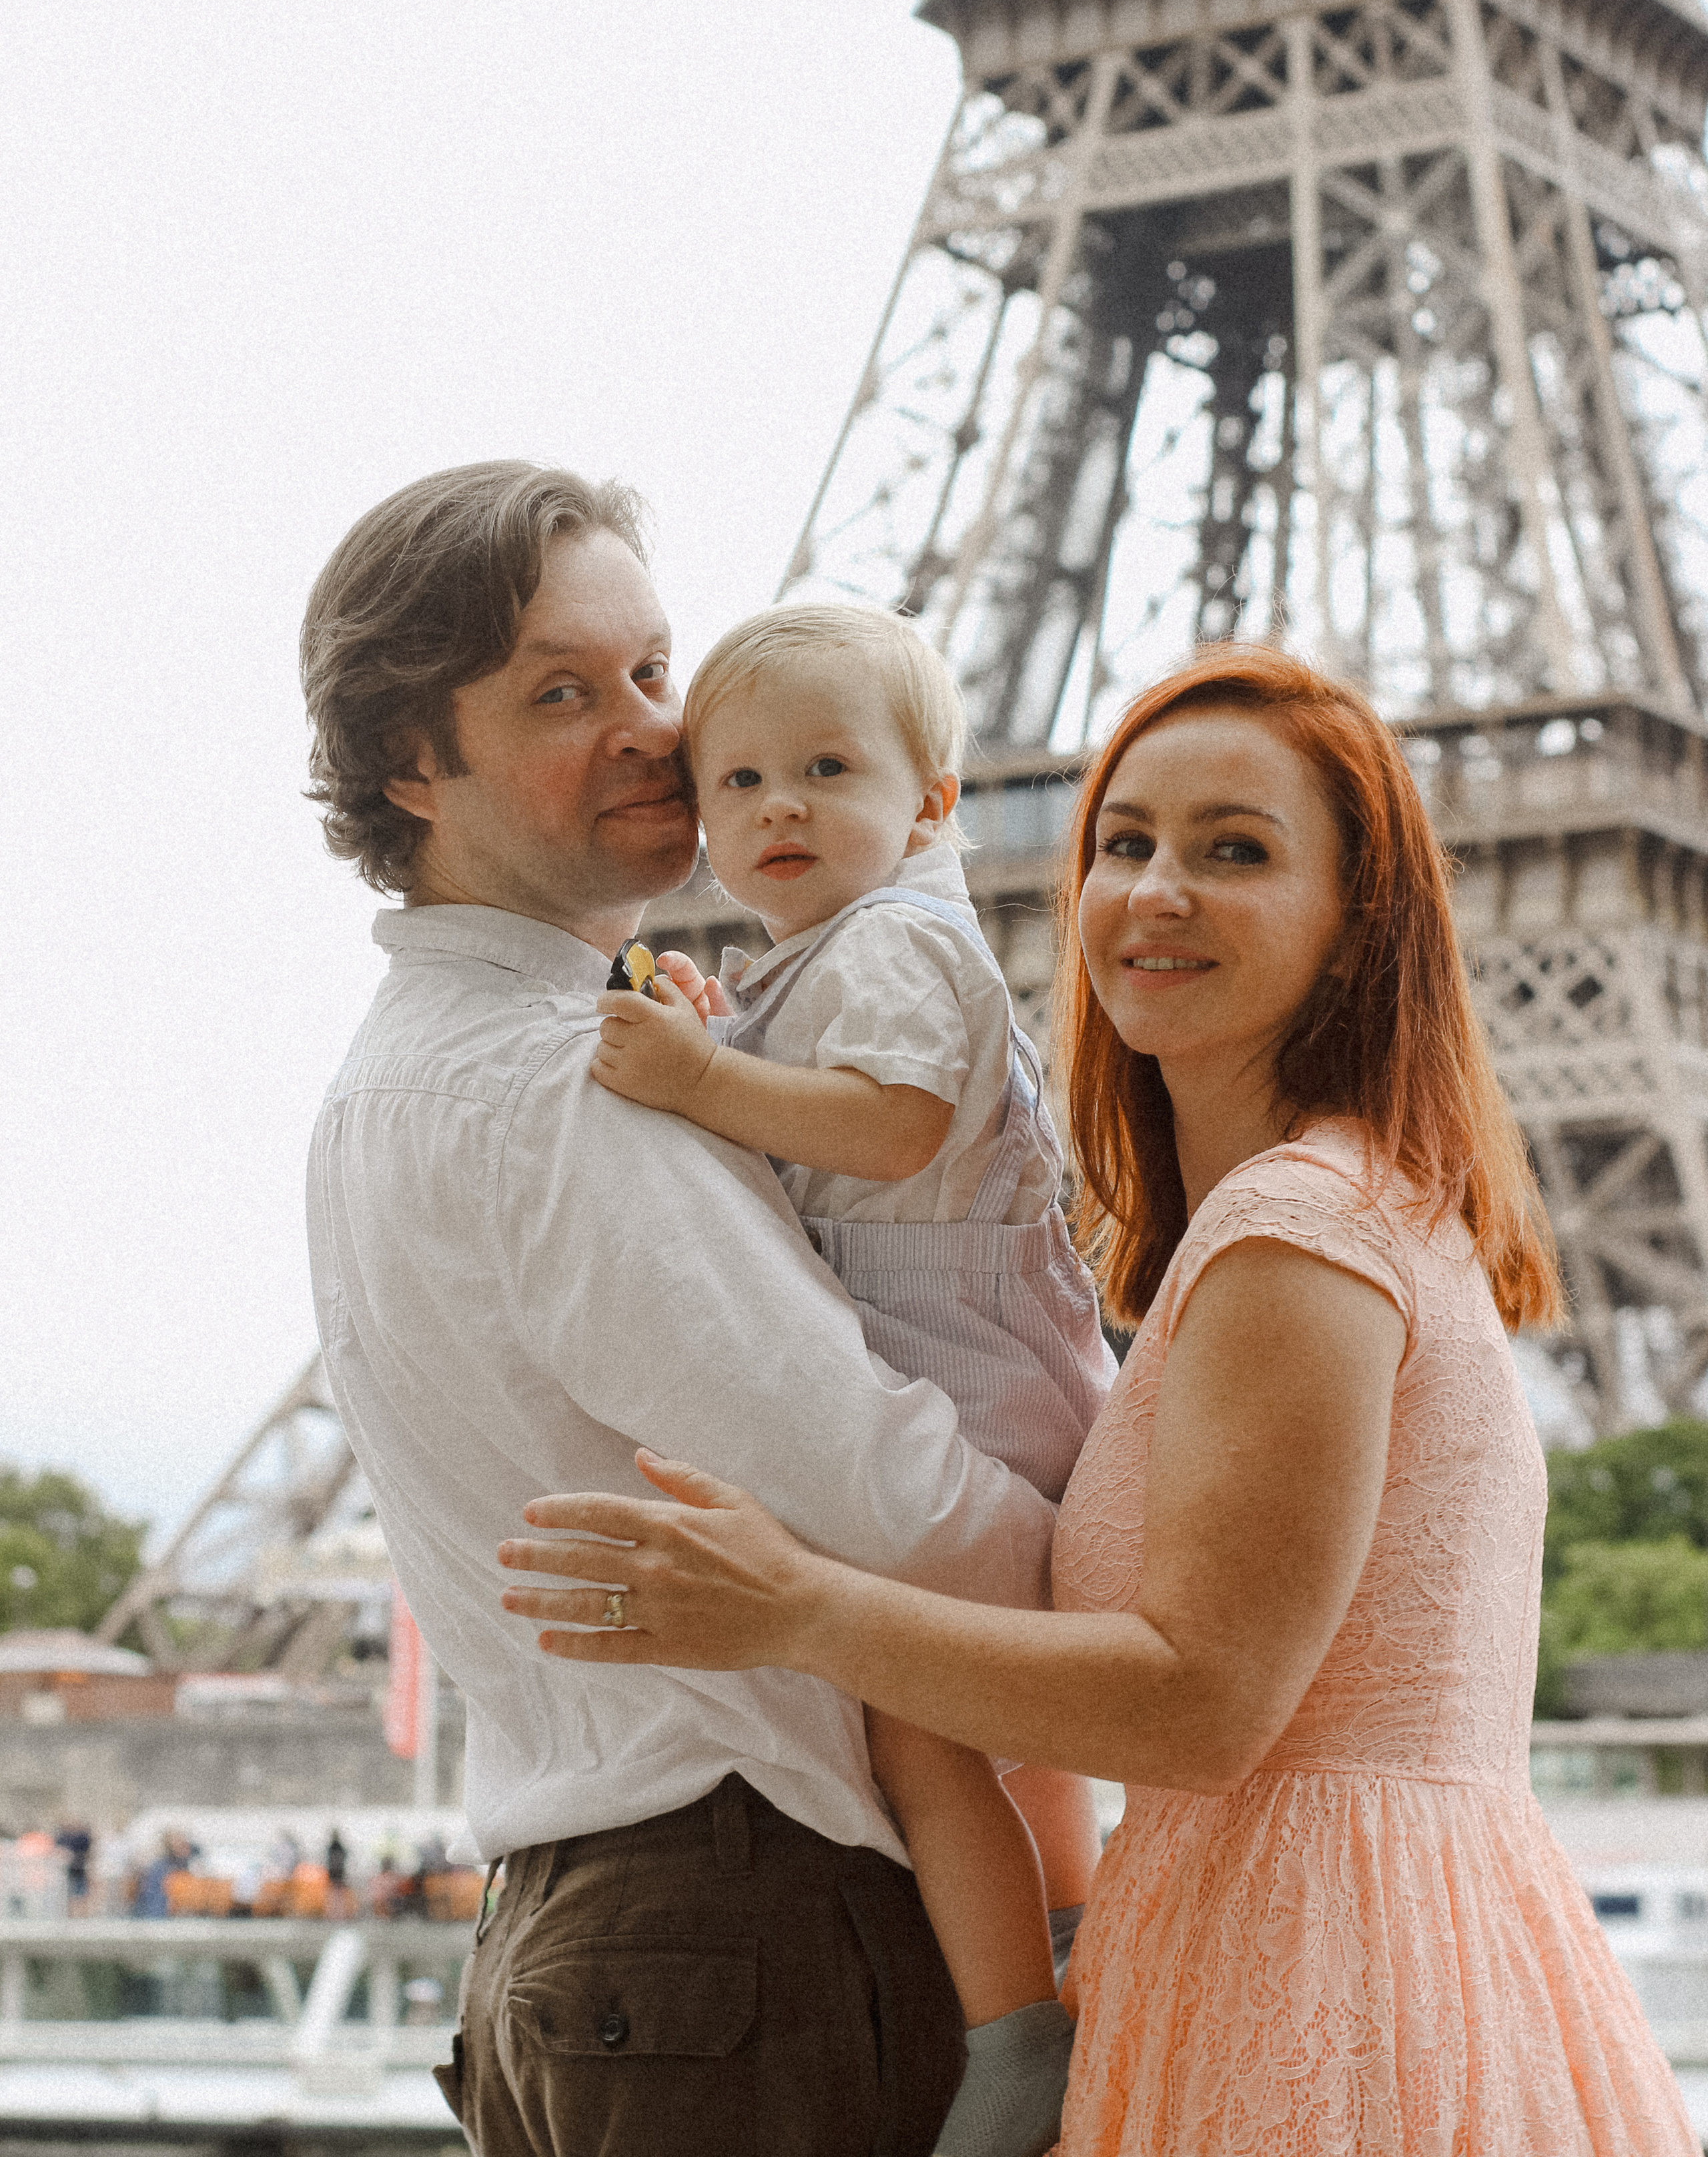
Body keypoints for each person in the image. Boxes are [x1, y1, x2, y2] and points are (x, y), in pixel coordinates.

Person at [499, 644, 1698, 2156]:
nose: (1154, 891)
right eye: (1121, 844)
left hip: (1312, 1979)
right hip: (1338, 1947)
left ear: (1354, 928)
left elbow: (1198, 1705)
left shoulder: (1293, 1236)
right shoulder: (1326, 1214)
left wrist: (794, 1609)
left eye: (1234, 852)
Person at [300, 462, 1056, 2157]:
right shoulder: (557, 1087)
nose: (652, 729)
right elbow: (898, 1509)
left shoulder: (394, 1086)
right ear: (414, 766)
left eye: (654, 670)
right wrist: (1162, 1606)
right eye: (564, 692)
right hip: (748, 1927)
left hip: (591, 1935)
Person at [593, 602, 1116, 2156]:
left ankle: (1014, 2024)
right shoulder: (849, 944)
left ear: (933, 805)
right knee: (993, 1715)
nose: (778, 809)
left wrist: (696, 1077)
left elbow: (881, 1128)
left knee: (919, 1722)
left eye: (826, 768)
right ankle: (1077, 1933)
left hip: (962, 1374)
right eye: (737, 783)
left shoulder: (896, 939)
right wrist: (719, 1038)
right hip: (992, 1363)